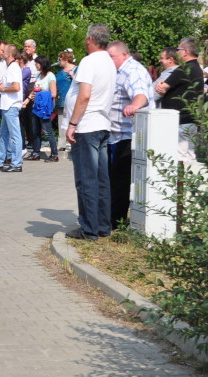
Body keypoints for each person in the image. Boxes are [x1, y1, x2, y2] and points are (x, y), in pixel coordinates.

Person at [64, 24, 117, 241]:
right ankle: (103, 225)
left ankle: (89, 228)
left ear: (90, 40)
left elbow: (84, 95)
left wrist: (72, 123)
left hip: (86, 127)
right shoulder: (109, 61)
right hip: (102, 124)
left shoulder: (89, 61)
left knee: (86, 179)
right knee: (101, 179)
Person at [106, 40, 152, 230]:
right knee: (114, 179)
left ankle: (116, 221)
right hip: (116, 134)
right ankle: (112, 217)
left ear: (124, 55)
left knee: (120, 180)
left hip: (127, 135)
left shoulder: (132, 70)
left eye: (112, 57)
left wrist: (134, 105)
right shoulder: (119, 71)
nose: (109, 60)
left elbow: (141, 95)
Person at [156, 37, 205, 163]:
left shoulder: (184, 69)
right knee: (190, 157)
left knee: (180, 158)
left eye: (178, 49)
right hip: (191, 119)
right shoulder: (197, 68)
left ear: (185, 52)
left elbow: (162, 87)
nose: (177, 52)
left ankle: (182, 177)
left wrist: (162, 86)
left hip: (181, 121)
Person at [0, 44, 24, 172]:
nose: (2, 53)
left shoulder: (13, 67)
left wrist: (2, 88)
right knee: (3, 134)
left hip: (11, 105)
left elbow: (16, 87)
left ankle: (16, 163)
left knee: (15, 135)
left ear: (9, 54)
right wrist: (1, 85)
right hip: (8, 106)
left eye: (4, 51)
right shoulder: (11, 67)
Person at [29, 55, 59, 162]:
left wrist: (40, 93)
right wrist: (30, 97)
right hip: (36, 106)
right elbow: (35, 90)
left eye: (37, 63)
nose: (36, 65)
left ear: (43, 64)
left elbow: (53, 93)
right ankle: (36, 152)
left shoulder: (50, 76)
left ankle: (54, 154)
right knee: (35, 131)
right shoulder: (38, 76)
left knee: (48, 131)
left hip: (45, 108)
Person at [56, 49, 76, 149]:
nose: (58, 61)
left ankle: (75, 143)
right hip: (61, 100)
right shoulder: (60, 72)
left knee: (74, 122)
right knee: (61, 123)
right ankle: (61, 144)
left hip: (73, 101)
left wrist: (73, 76)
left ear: (66, 60)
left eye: (60, 59)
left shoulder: (77, 69)